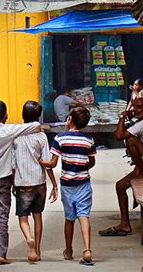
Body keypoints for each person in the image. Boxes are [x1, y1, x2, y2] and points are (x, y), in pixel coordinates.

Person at [0, 100, 41, 265]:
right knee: (2, 217)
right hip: (3, 180)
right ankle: (1, 253)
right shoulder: (10, 131)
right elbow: (35, 126)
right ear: (5, 116)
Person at [99, 98, 143, 236]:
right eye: (135, 107)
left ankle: (142, 172)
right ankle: (125, 224)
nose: (135, 110)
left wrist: (122, 116)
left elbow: (119, 135)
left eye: (139, 107)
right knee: (120, 186)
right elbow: (119, 132)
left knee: (131, 139)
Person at [39, 106, 96, 266]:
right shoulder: (88, 140)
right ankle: (87, 250)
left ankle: (69, 250)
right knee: (83, 216)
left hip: (67, 185)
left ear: (69, 119)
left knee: (69, 218)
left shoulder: (60, 138)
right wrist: (81, 168)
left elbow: (52, 162)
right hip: (84, 183)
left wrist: (40, 161)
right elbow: (92, 161)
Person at [12, 101, 58, 262]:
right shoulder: (42, 136)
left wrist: (13, 183)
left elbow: (13, 164)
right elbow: (47, 163)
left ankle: (28, 239)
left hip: (22, 183)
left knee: (23, 217)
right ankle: (37, 250)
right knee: (38, 216)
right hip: (39, 183)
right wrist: (54, 185)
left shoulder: (16, 137)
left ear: (23, 116)